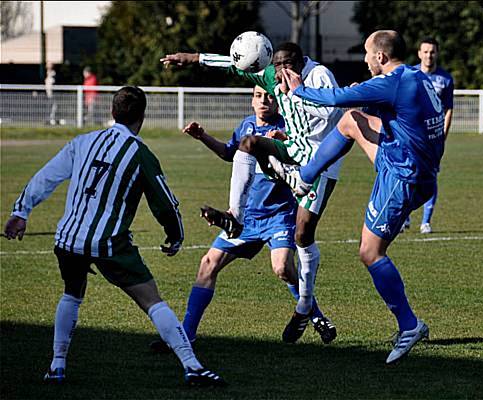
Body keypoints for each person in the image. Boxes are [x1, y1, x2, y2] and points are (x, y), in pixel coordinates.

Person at [3, 86, 225, 387]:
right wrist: (175, 236)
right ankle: (193, 365)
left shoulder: (83, 141)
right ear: (142, 117)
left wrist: (21, 211)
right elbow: (164, 202)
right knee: (152, 301)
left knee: (72, 293)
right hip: (109, 243)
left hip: (67, 239)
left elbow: (47, 175)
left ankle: (57, 365)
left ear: (112, 112)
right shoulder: (140, 153)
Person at [272, 30, 445, 363]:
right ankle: (305, 177)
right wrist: (361, 100)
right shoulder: (414, 77)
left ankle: (410, 325)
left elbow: (333, 99)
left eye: (367, 53)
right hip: (414, 165)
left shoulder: (391, 82)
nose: (364, 59)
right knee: (352, 121)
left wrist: (299, 89)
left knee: (369, 252)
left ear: (380, 57)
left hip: (402, 176)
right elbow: (387, 111)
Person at [160, 42, 344, 343]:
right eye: (260, 94)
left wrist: (288, 128)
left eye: (269, 96)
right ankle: (187, 335)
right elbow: (234, 65)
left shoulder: (304, 95)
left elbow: (325, 117)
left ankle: (312, 312)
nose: (266, 98)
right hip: (250, 216)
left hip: (282, 210)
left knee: (283, 268)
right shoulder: (247, 123)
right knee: (208, 263)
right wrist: (193, 59)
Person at [412, 37, 454, 234]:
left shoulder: (445, 79)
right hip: (411, 137)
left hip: (433, 140)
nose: (429, 55)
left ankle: (426, 221)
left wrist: (442, 137)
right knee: (408, 175)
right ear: (419, 53)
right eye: (425, 51)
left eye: (432, 51)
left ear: (437, 53)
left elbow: (448, 109)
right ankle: (404, 217)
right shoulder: (409, 74)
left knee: (430, 177)